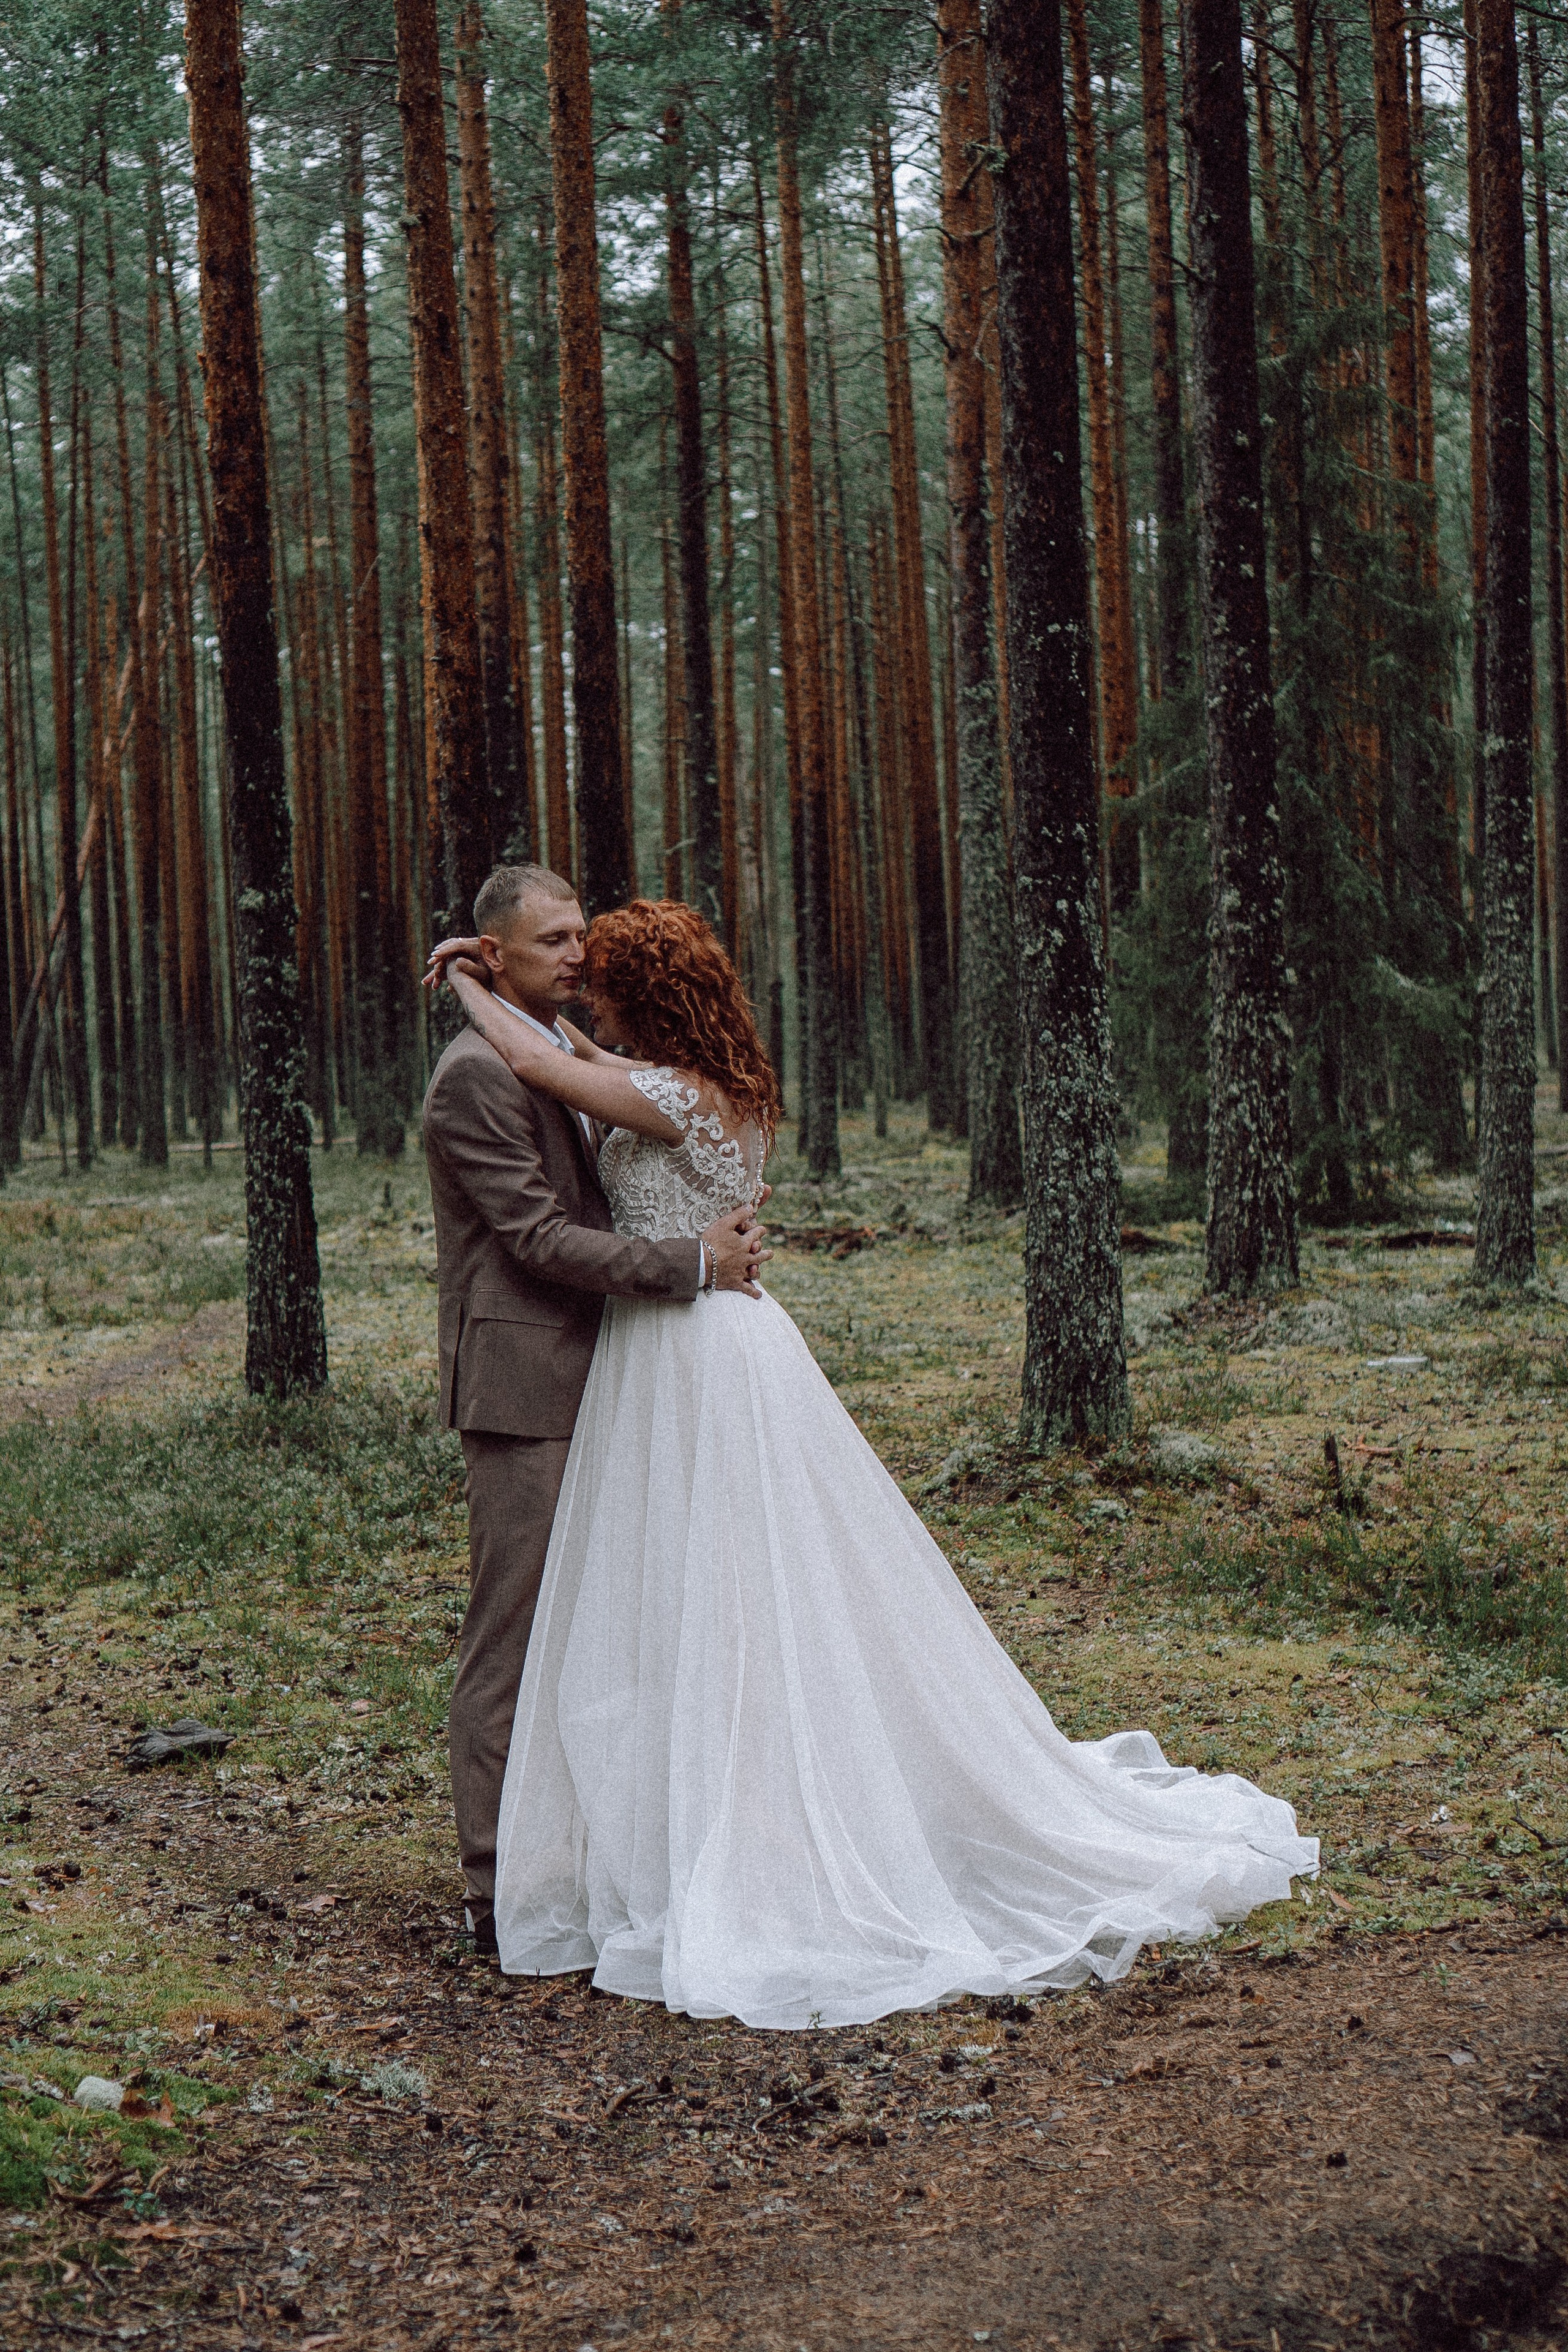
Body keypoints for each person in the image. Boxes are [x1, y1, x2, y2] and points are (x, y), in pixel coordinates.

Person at [427, 897, 1317, 2030]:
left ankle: (709, 1840)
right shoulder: (714, 1086)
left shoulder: (648, 1090)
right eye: (563, 957)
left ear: (643, 996)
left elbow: (547, 1066)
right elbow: (578, 1066)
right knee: (726, 1596)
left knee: (722, 1603)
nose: (583, 985)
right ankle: (676, 1829)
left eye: (600, 973)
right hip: (700, 1348)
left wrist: (469, 983)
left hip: (689, 1351)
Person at [420, 865, 767, 1961]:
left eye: (584, 937)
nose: (580, 955)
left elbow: (569, 1071)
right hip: (530, 1394)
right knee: (515, 1639)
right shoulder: (475, 1078)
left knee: (634, 1629)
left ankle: (610, 1858)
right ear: (495, 954)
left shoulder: (581, 1059)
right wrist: (692, 1262)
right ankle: (495, 1892)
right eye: (556, 940)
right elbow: (533, 1240)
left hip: (631, 1378)